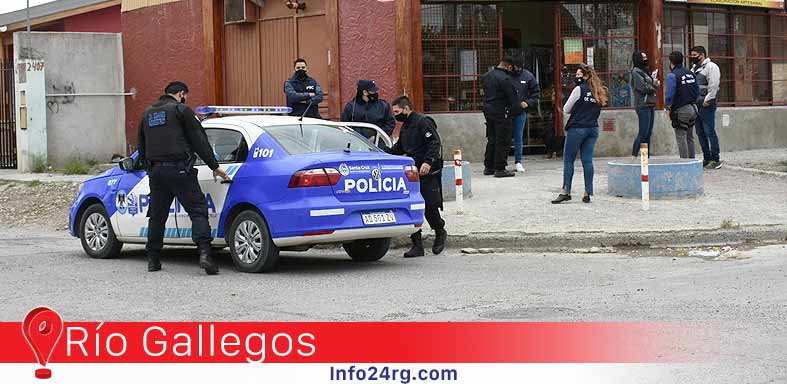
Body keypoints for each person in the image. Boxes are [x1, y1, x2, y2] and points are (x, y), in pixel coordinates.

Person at [136, 81, 230, 274]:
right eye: (185, 95)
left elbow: (141, 147)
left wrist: (151, 170)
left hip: (157, 173)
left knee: (157, 216)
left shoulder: (147, 114)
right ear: (181, 94)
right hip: (180, 170)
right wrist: (214, 166)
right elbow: (199, 140)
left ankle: (153, 260)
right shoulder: (181, 110)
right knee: (197, 210)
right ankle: (205, 255)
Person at [385, 95, 447, 258]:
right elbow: (399, 148)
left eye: (397, 111)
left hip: (426, 172)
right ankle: (417, 245)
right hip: (411, 173)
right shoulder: (405, 126)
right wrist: (381, 151)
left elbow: (434, 143)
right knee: (412, 207)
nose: (395, 115)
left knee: (429, 207)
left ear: (406, 109)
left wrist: (428, 162)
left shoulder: (422, 122)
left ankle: (440, 231)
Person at [551, 64, 608, 204]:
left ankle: (566, 191)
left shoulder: (579, 89)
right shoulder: (598, 92)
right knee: (587, 160)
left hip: (577, 129)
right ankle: (587, 192)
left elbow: (566, 109)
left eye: (578, 75)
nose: (576, 78)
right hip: (592, 129)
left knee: (568, 159)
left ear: (586, 76)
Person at [482, 56, 521, 178]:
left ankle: (489, 166)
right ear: (509, 66)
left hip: (488, 111)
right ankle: (500, 168)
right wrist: (517, 110)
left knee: (492, 138)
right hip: (502, 111)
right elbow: (512, 98)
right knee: (503, 139)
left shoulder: (487, 76)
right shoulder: (505, 78)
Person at [690, 46, 722, 169]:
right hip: (696, 104)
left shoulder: (711, 67)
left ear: (702, 55)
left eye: (694, 55)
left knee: (709, 131)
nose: (693, 57)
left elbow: (713, 86)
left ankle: (715, 158)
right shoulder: (694, 68)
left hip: (706, 104)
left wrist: (707, 100)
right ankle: (706, 157)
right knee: (700, 132)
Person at [665, 51, 700, 159]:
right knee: (690, 137)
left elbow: (670, 95)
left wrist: (668, 107)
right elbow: (697, 91)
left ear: (671, 62)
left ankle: (684, 163)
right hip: (693, 109)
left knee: (681, 137)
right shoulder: (691, 73)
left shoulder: (672, 75)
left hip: (681, 110)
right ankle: (692, 161)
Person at [510, 63, 541, 172]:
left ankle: (518, 161)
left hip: (520, 112)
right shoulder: (506, 75)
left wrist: (528, 102)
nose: (515, 68)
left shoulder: (528, 76)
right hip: (506, 111)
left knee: (518, 137)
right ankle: (501, 161)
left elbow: (536, 93)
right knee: (504, 137)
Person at [630, 50, 660, 157]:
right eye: (643, 58)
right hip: (642, 105)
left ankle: (645, 157)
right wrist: (654, 86)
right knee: (643, 132)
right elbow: (642, 87)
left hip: (650, 104)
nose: (645, 60)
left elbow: (649, 84)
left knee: (648, 133)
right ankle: (634, 155)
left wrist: (654, 82)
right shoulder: (636, 72)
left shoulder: (645, 71)